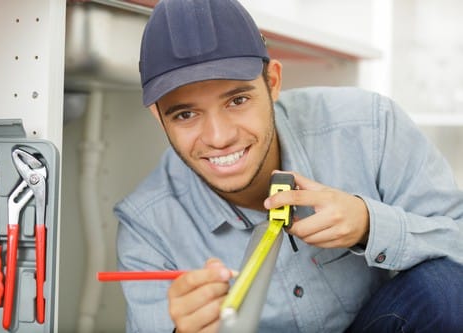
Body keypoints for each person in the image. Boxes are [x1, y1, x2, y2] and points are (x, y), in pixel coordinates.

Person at [114, 0, 463, 332]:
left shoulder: (371, 126)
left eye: (238, 100)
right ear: (159, 118)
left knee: (447, 289)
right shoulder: (146, 228)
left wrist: (368, 225)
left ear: (274, 82)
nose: (219, 138)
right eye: (186, 114)